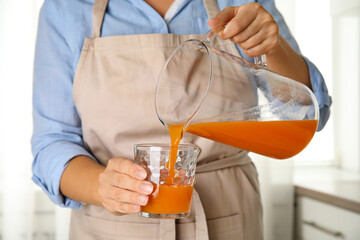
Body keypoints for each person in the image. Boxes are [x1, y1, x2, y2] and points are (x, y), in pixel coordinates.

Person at [31, 0, 332, 239]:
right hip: (110, 227)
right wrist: (101, 186)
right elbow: (52, 144)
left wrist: (272, 47)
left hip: (230, 218)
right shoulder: (66, 8)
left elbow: (310, 113)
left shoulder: (241, 5)